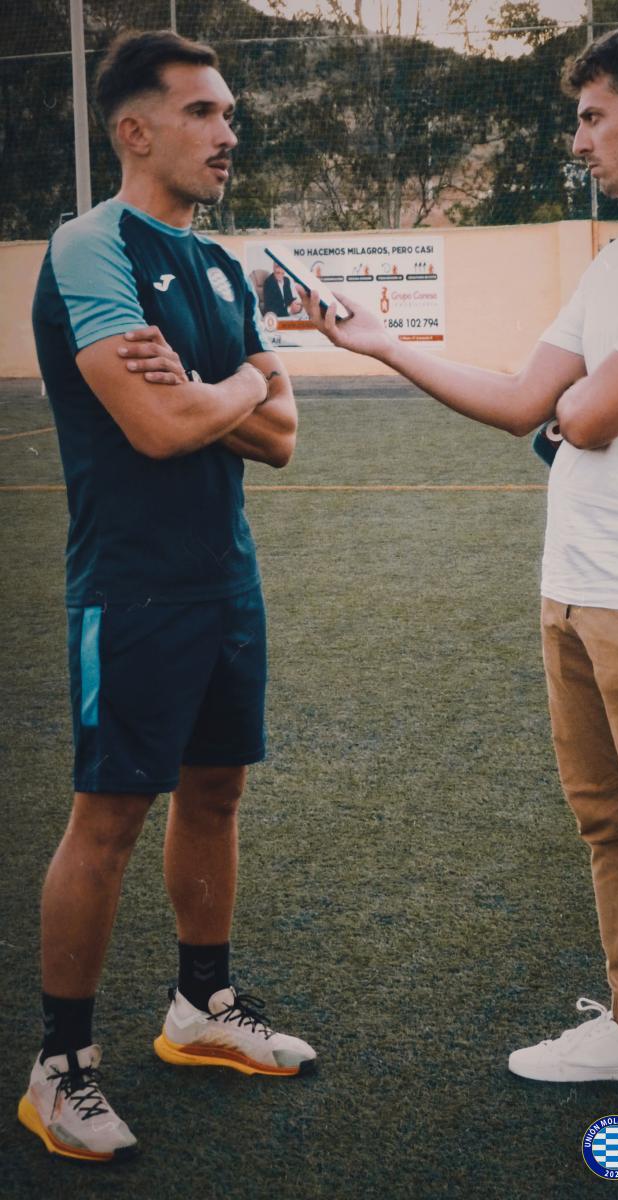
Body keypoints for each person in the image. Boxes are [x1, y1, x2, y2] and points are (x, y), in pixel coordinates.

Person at [301, 18, 618, 1178]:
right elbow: (529, 401)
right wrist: (385, 345)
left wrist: (568, 411)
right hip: (573, 586)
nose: (579, 140)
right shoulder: (615, 265)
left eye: (591, 116)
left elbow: (591, 414)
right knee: (609, 823)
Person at [20, 30, 315, 1164]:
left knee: (216, 792)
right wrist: (237, 382)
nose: (228, 132)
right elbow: (153, 426)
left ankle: (201, 1007)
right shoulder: (89, 246)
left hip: (223, 575)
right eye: (204, 112)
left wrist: (210, 388)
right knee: (108, 818)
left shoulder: (224, 266)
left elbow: (281, 438)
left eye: (228, 112)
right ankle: (60, 1070)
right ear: (135, 130)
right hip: (130, 587)